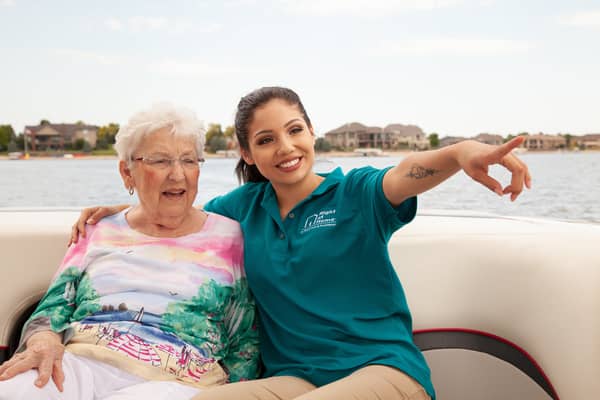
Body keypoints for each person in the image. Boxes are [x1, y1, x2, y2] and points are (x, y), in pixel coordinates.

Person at [68, 87, 531, 400]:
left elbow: (405, 174)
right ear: (247, 154)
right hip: (293, 381)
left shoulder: (355, 194)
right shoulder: (239, 209)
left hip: (382, 371)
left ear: (312, 133)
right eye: (266, 140)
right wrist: (122, 212)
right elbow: (178, 209)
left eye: (294, 130)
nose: (285, 147)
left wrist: (459, 152)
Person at [0, 103, 259, 400]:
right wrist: (43, 338)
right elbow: (53, 307)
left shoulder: (230, 237)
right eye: (161, 161)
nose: (177, 175)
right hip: (79, 363)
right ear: (127, 171)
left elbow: (245, 339)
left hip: (178, 380)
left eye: (189, 161)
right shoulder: (98, 228)